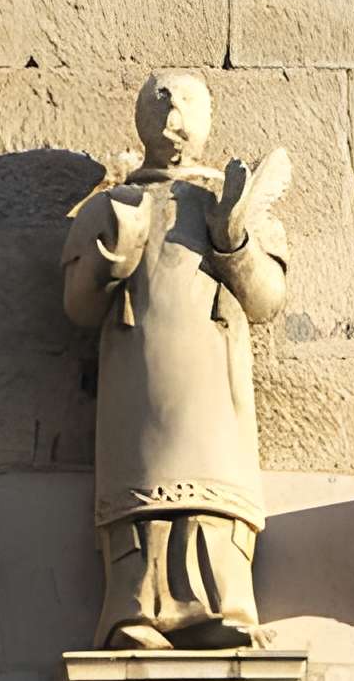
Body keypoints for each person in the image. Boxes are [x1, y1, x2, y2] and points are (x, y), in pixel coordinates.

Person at [61, 71, 293, 650]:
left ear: (208, 118)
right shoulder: (110, 207)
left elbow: (265, 300)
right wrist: (116, 251)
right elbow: (78, 306)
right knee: (142, 487)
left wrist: (232, 237)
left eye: (186, 96)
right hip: (136, 375)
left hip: (213, 380)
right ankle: (133, 616)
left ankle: (226, 608)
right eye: (157, 95)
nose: (170, 105)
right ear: (138, 117)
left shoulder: (228, 202)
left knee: (213, 487)